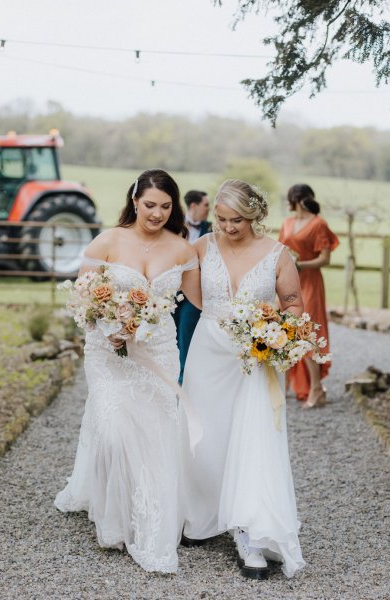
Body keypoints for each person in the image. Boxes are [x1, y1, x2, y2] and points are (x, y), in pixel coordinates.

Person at [55, 169, 201, 574]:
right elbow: (82, 301)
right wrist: (108, 328)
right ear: (135, 200)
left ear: (174, 208)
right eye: (150, 204)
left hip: (157, 353)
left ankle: (151, 519)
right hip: (107, 354)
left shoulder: (183, 249)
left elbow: (201, 302)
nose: (157, 213)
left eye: (166, 206)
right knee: (116, 431)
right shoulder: (108, 240)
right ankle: (115, 517)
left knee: (155, 434)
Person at [180, 179, 306, 580]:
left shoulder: (278, 255)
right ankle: (201, 516)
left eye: (236, 220)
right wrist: (222, 317)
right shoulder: (201, 247)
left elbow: (292, 305)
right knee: (204, 431)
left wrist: (274, 333)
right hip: (207, 349)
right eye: (220, 219)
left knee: (250, 436)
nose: (227, 227)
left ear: (254, 216)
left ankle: (249, 528)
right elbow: (191, 295)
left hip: (254, 355)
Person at [279, 184, 339, 408]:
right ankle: (284, 385)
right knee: (286, 331)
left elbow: (325, 259)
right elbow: (280, 250)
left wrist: (301, 264)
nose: (288, 204)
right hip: (288, 282)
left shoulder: (318, 223)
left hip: (311, 282)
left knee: (307, 333)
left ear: (297, 199)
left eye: (289, 200)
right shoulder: (287, 223)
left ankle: (316, 388)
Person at [173, 189, 211, 383]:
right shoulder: (173, 226)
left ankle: (184, 375)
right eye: (206, 205)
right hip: (171, 288)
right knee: (171, 331)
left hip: (195, 290)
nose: (209, 209)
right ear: (194, 206)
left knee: (187, 328)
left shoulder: (211, 230)